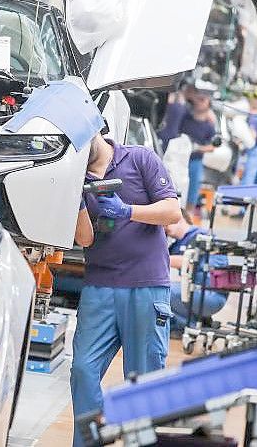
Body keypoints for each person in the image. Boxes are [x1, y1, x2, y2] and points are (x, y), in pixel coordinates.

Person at [72, 133, 181, 446]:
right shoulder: (74, 175)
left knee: (143, 378)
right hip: (99, 287)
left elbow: (172, 212)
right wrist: (78, 202)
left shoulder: (139, 158)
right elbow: (86, 240)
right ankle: (90, 440)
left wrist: (127, 210)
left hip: (146, 284)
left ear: (97, 128)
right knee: (83, 369)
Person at [165, 211, 227, 334]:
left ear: (179, 217)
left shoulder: (202, 235)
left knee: (165, 290)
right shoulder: (176, 245)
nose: (164, 227)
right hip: (196, 293)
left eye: (165, 223)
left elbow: (188, 261)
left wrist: (154, 258)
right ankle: (200, 321)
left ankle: (190, 325)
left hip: (212, 295)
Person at [159, 84, 217, 213]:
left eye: (203, 100)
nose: (199, 102)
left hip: (195, 160)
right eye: (198, 99)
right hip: (179, 159)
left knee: (192, 188)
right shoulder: (186, 117)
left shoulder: (209, 126)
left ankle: (188, 215)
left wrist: (199, 148)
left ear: (208, 105)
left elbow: (213, 146)